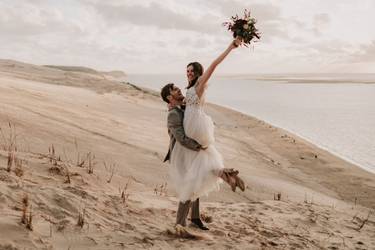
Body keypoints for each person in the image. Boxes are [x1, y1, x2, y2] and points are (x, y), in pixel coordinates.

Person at [161, 83, 209, 230]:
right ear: (170, 97)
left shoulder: (181, 108)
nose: (179, 90)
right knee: (188, 187)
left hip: (188, 153)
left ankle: (195, 218)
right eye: (175, 90)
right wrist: (198, 146)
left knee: (196, 183)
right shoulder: (173, 114)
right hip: (180, 157)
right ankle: (180, 223)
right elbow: (181, 138)